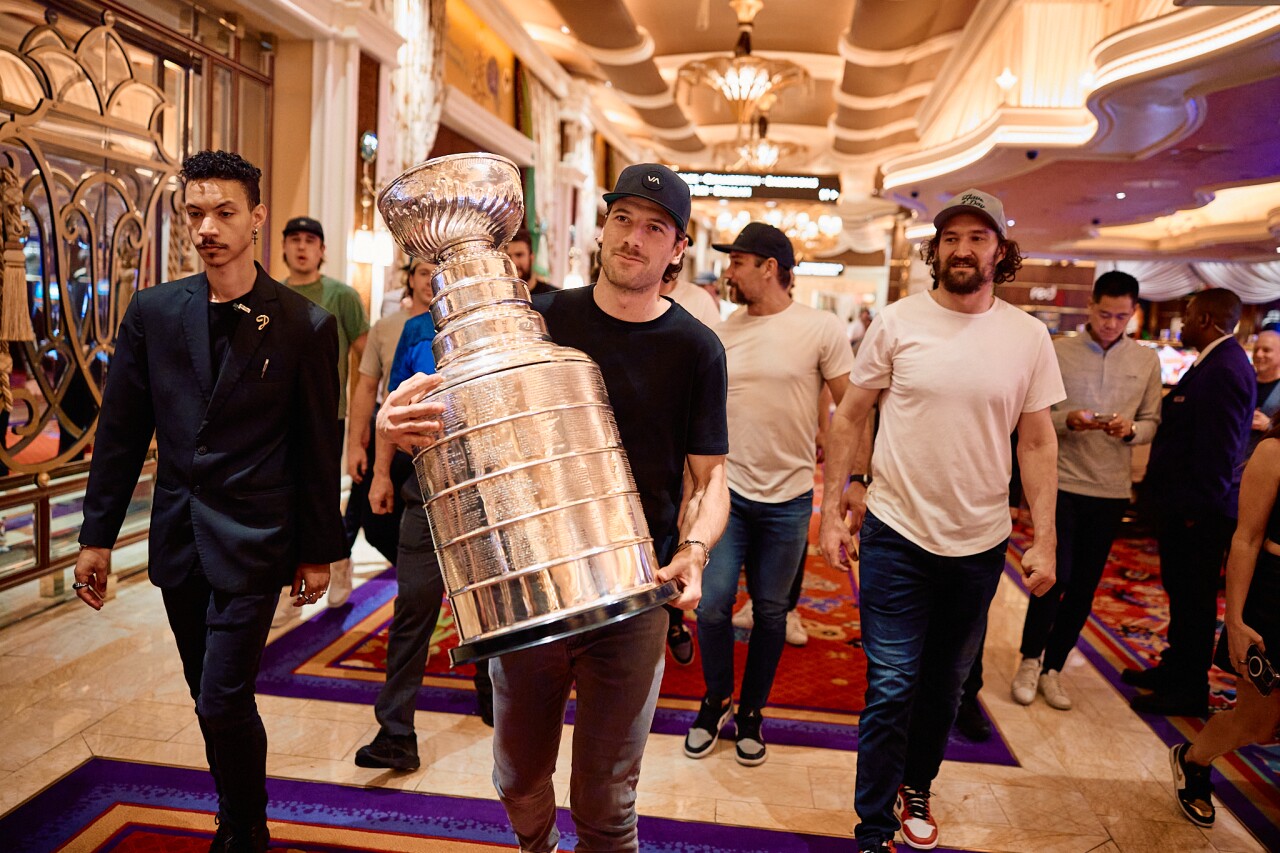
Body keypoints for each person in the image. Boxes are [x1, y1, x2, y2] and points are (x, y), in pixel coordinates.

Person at [378, 162, 729, 853]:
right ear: (604, 228)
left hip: (634, 595)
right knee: (516, 777)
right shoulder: (541, 321)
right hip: (527, 595)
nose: (634, 237)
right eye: (622, 219)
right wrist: (396, 424)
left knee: (606, 801)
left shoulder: (697, 347)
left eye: (654, 227)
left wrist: (695, 550)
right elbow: (451, 414)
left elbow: (711, 477)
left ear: (678, 247)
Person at [72, 150, 343, 853]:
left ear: (258, 217)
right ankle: (236, 809)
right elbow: (123, 431)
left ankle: (247, 826)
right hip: (179, 536)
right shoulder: (156, 313)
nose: (208, 227)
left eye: (225, 212)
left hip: (257, 538)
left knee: (223, 695)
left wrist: (320, 549)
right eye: (195, 212)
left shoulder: (303, 325)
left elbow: (317, 445)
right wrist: (96, 535)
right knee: (208, 696)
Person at [819, 188, 1064, 853]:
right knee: (892, 681)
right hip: (897, 532)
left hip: (980, 543)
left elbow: (1037, 442)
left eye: (977, 237)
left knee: (947, 683)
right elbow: (851, 415)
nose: (962, 248)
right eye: (951, 237)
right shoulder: (898, 321)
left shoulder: (1027, 336)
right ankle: (871, 825)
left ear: (1001, 251)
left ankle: (917, 782)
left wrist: (1045, 536)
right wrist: (832, 511)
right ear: (936, 251)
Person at [683, 222, 851, 767]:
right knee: (711, 607)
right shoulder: (724, 331)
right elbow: (701, 417)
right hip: (726, 494)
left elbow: (851, 413)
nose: (728, 272)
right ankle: (715, 699)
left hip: (790, 497)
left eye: (738, 262)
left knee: (773, 613)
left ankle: (751, 712)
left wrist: (853, 484)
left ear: (769, 268)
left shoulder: (821, 329)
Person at [1008, 271, 1162, 712]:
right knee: (1052, 576)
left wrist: (1131, 428)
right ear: (1091, 308)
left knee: (1085, 587)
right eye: (1105, 314)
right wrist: (1068, 419)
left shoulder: (1146, 361)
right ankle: (1029, 660)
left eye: (1121, 316)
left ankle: (1054, 667)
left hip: (1111, 489)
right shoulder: (1059, 352)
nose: (1112, 323)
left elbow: (1153, 421)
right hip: (1063, 482)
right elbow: (1033, 415)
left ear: (1132, 313)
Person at [1123, 289, 1254, 716]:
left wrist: (1197, 511)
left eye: (1189, 314)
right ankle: (1174, 668)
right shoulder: (1213, 363)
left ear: (1208, 318)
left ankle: (1187, 689)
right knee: (1180, 597)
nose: (1182, 322)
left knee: (1194, 603)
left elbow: (1219, 449)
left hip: (1199, 513)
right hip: (1184, 506)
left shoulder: (1226, 368)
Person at [1169, 418, 1280, 828]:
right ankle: (1193, 759)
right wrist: (1234, 620)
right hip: (1273, 600)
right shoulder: (1273, 451)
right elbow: (1246, 539)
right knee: (1258, 723)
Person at [280, 215, 369, 610]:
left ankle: (339, 561)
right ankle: (284, 585)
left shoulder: (341, 296)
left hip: (328, 415)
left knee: (323, 497)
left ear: (322, 250)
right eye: (294, 239)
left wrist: (362, 424)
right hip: (280, 417)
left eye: (309, 241)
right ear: (283, 247)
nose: (301, 247)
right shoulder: (273, 295)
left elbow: (365, 359)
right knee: (283, 499)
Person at [345, 259, 435, 564]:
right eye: (423, 272)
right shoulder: (390, 327)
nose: (429, 280)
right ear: (410, 279)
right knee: (377, 524)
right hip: (394, 439)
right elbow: (368, 388)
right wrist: (355, 444)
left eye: (436, 274)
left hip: (433, 443)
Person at [1248, 328, 1280, 457]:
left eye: (1266, 350)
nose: (1259, 355)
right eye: (1256, 350)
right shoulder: (1244, 382)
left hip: (1266, 462)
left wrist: (1269, 425)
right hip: (1233, 463)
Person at [506, 228, 557, 295]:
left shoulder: (552, 296)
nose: (513, 262)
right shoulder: (501, 297)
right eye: (509, 256)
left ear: (532, 258)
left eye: (519, 255)